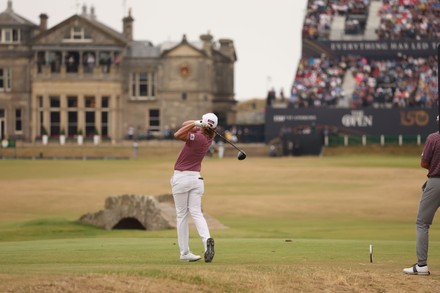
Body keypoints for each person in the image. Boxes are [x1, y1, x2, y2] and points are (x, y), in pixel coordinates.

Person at [170, 113, 217, 263]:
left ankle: (185, 253)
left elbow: (178, 133)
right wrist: (199, 123)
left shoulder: (198, 137)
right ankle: (207, 241)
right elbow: (186, 122)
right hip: (197, 179)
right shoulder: (209, 137)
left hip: (182, 178)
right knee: (197, 213)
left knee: (182, 215)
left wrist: (198, 123)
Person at [403, 116, 440, 275]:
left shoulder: (433, 138)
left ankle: (422, 265)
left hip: (436, 182)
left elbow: (424, 163)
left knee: (422, 223)